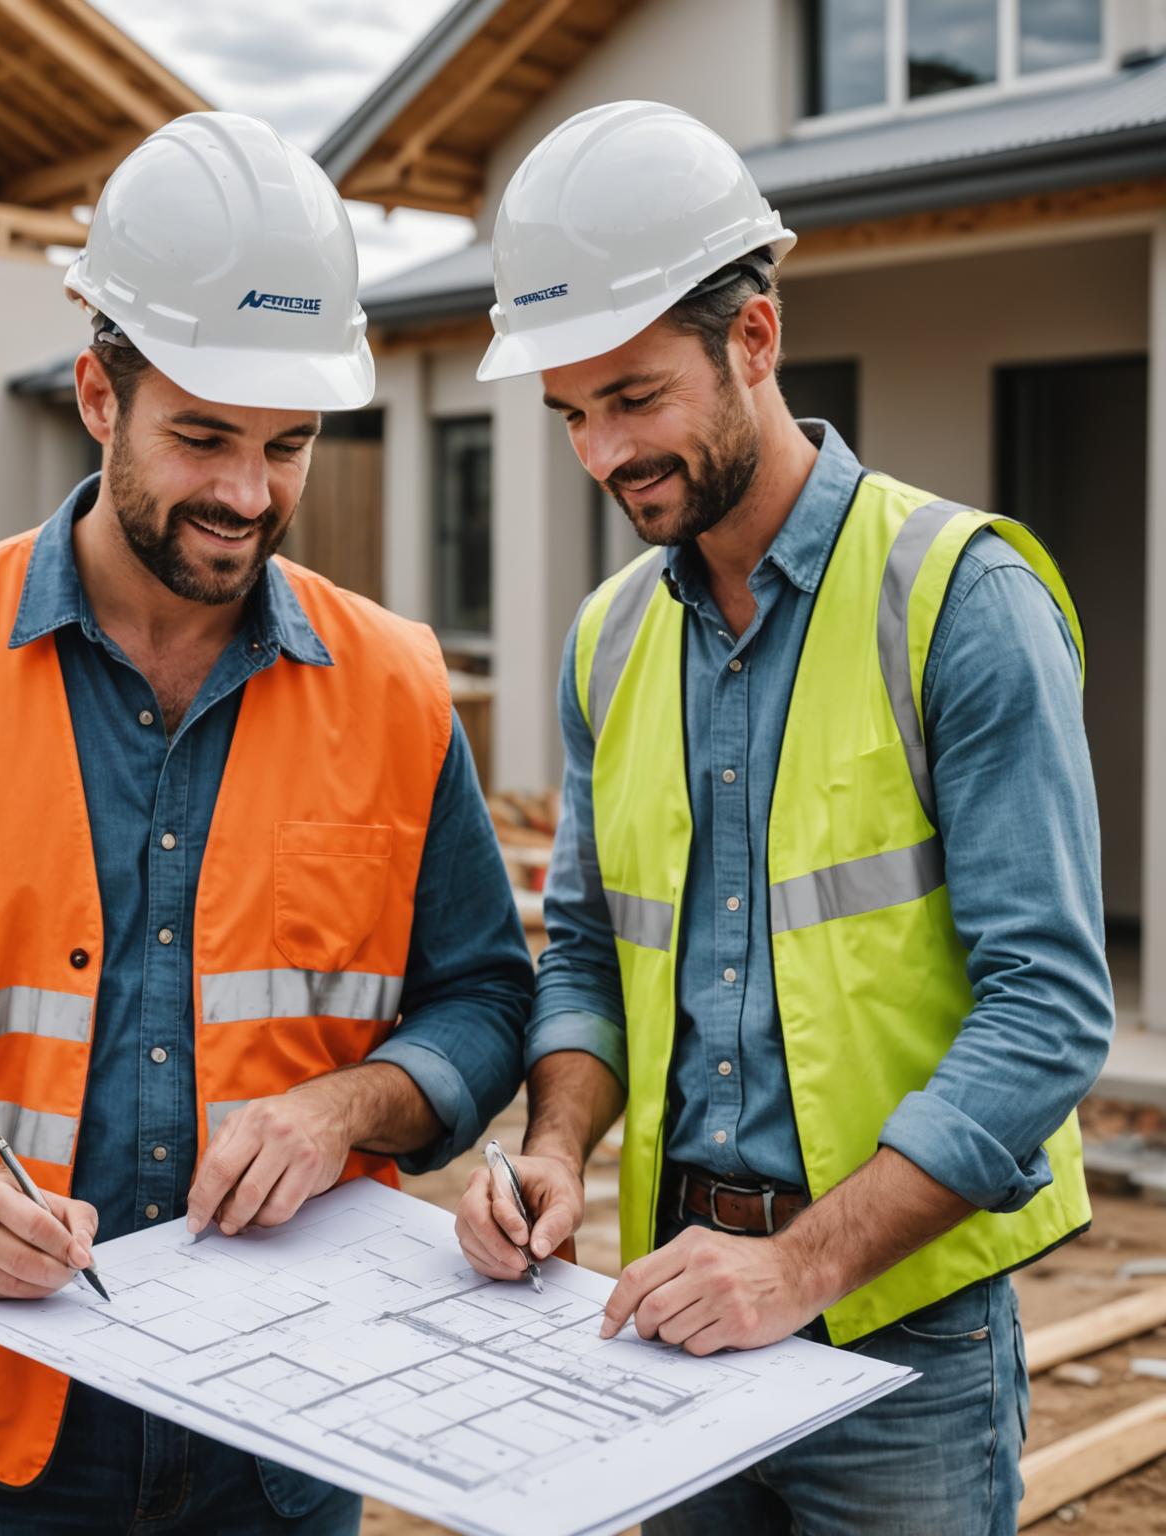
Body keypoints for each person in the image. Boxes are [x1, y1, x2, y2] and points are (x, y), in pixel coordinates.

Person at [0, 111, 532, 1535]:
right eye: (202, 437)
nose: (245, 495)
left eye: (287, 447)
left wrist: (345, 1107)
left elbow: (482, 996)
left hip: (280, 1428)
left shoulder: (395, 687)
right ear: (100, 393)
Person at [455, 100, 1112, 1535]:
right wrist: (555, 1150)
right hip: (678, 1306)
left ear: (754, 337)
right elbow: (586, 956)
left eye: (635, 399)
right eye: (572, 414)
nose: (601, 454)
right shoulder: (608, 642)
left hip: (904, 1344)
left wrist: (801, 1268)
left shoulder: (959, 602)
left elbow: (1051, 1008)